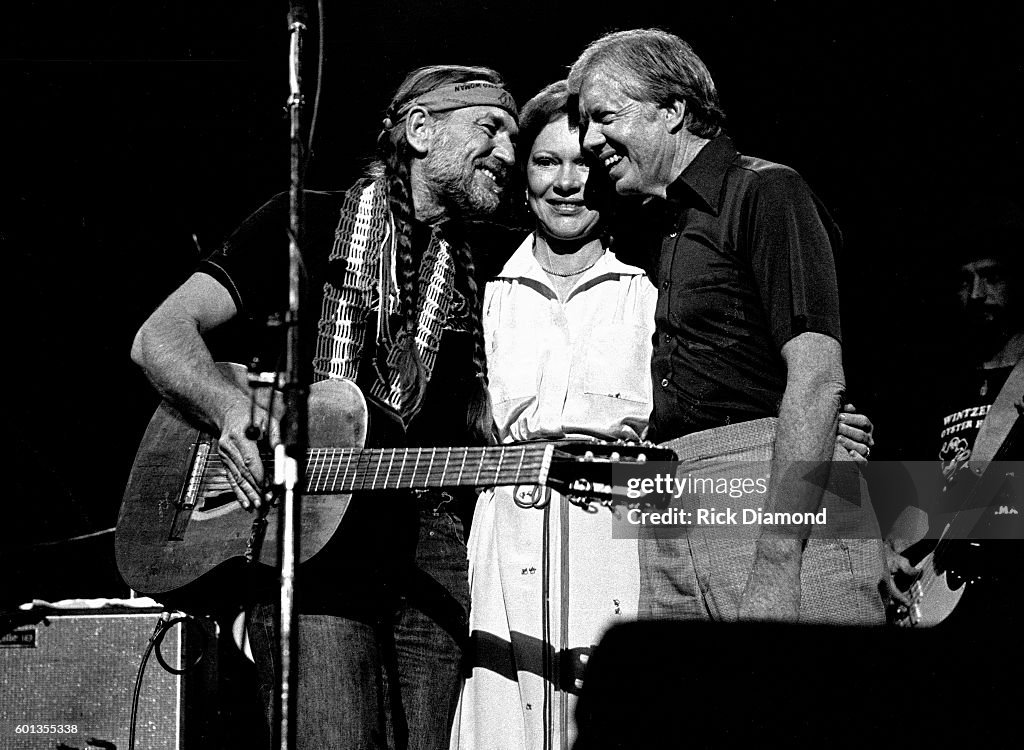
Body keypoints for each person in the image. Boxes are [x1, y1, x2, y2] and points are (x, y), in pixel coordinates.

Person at [449, 80, 877, 750]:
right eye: (544, 162)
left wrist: (827, 423)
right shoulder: (479, 283)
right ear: (522, 176)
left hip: (636, 529)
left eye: (583, 162)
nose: (566, 182)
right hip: (508, 541)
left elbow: (741, 375)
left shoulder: (657, 272)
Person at [130, 65, 518, 749]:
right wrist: (230, 412)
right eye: (490, 128)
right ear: (421, 131)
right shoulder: (302, 221)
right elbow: (160, 336)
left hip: (428, 546)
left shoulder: (487, 266)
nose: (509, 154)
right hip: (308, 545)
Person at [567, 28, 887, 624]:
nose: (589, 142)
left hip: (766, 498)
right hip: (670, 499)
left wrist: (776, 565)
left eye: (604, 116)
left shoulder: (766, 190)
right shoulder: (664, 226)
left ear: (672, 110)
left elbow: (818, 378)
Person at [887, 209, 1022, 626]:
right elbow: (910, 498)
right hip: (934, 591)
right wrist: (891, 552)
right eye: (965, 281)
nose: (977, 294)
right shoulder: (936, 389)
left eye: (992, 276)